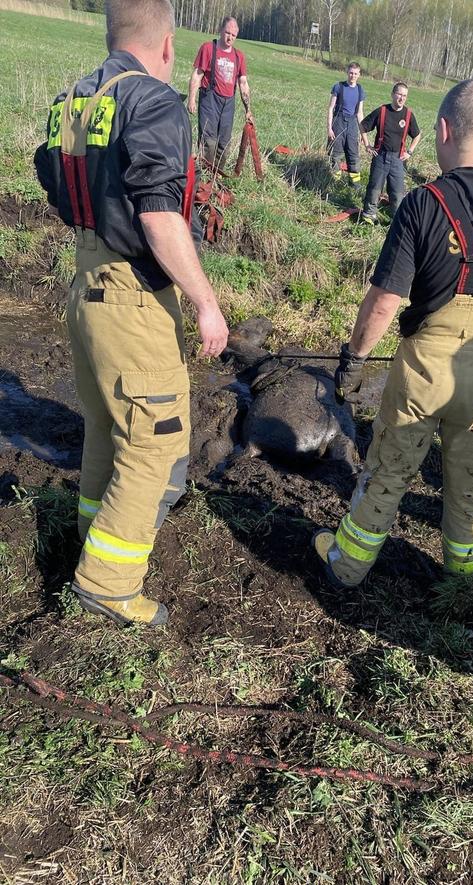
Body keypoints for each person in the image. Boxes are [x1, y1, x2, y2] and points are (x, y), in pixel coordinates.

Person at [313, 76, 473, 587]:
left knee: (388, 470)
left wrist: (353, 361)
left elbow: (384, 302)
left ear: (442, 131)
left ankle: (347, 565)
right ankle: (465, 580)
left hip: (423, 372)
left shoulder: (420, 204)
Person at [34, 0, 229, 627]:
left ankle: (94, 536)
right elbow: (157, 214)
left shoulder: (76, 99)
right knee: (154, 444)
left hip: (84, 282)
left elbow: (53, 176)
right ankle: (108, 584)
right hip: (130, 297)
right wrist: (205, 301)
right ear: (168, 45)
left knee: (104, 427)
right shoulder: (156, 103)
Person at [188, 16, 252, 168]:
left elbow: (243, 83)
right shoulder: (208, 48)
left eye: (233, 35)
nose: (230, 37)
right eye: (227, 33)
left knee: (224, 143)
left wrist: (248, 110)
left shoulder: (239, 56)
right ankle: (204, 176)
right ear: (221, 30)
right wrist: (192, 99)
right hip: (209, 100)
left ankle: (216, 177)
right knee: (209, 142)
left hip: (228, 103)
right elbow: (197, 74)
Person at [360, 82, 421, 224]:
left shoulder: (408, 115)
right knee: (374, 188)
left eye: (404, 96)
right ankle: (369, 215)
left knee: (397, 192)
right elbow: (363, 126)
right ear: (393, 94)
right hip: (380, 156)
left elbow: (417, 135)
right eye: (399, 94)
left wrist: (410, 152)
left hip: (398, 159)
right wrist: (367, 145)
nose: (402, 98)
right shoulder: (382, 111)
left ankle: (396, 220)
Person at [327, 63, 365, 188]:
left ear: (359, 75)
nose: (352, 75)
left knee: (353, 155)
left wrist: (362, 132)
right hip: (338, 121)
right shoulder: (338, 87)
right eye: (351, 73)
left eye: (355, 73)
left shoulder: (360, 90)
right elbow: (331, 108)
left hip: (353, 124)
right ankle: (334, 183)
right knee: (335, 154)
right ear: (347, 72)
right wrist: (329, 128)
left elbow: (360, 113)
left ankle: (354, 185)